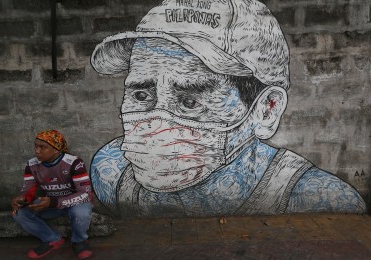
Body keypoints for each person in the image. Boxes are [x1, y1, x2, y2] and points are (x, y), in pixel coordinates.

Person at [89, 0, 366, 217]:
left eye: (189, 101)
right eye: (140, 94)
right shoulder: (111, 173)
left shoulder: (316, 199)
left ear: (266, 110)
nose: (155, 121)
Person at [12, 129, 93, 259]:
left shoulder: (74, 163)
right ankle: (52, 239)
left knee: (81, 213)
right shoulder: (32, 164)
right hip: (50, 203)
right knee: (19, 213)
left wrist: (54, 202)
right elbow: (29, 189)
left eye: (43, 147)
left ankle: (79, 241)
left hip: (75, 202)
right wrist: (23, 198)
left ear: (56, 149)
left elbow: (85, 194)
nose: (37, 151)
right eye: (36, 146)